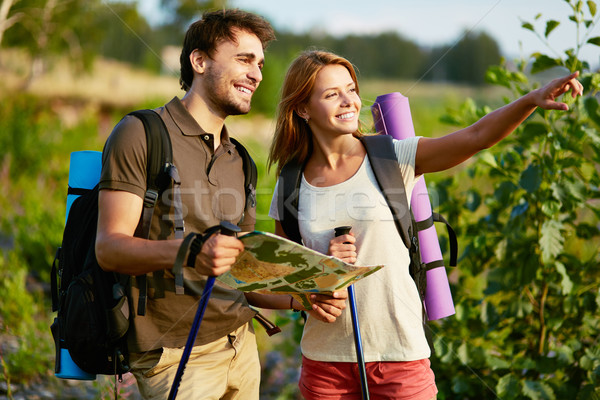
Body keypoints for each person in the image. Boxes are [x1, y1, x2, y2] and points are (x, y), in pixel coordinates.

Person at [267, 50, 583, 400]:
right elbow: (281, 277)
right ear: (302, 108)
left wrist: (531, 101)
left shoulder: (392, 156)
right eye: (331, 94)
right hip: (326, 368)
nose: (349, 101)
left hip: (401, 357)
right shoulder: (291, 181)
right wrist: (311, 289)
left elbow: (475, 136)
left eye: (351, 89)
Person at [95, 9, 278, 399]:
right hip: (174, 356)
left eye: (260, 63)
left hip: (241, 348)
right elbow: (109, 248)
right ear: (199, 61)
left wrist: (307, 294)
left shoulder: (241, 160)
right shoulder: (141, 133)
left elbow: (242, 273)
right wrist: (191, 251)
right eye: (244, 59)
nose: (257, 74)